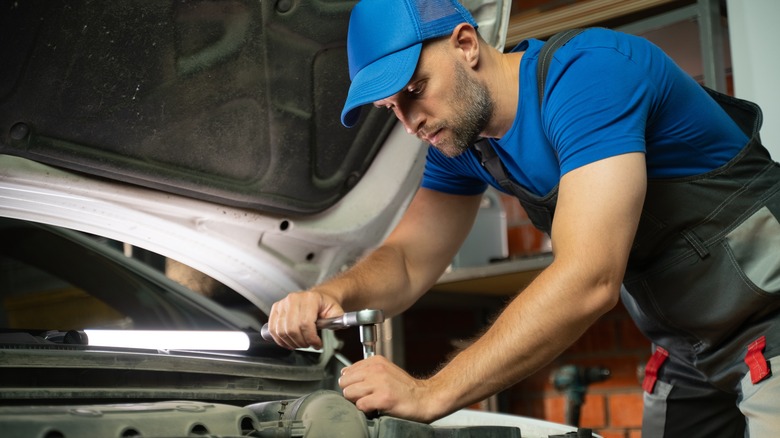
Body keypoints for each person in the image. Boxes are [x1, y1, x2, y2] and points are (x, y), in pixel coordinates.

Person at [265, 0, 780, 436]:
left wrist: (431, 392)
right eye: (391, 107)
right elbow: (407, 259)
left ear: (466, 44)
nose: (410, 121)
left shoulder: (589, 76)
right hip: (688, 347)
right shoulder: (462, 143)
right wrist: (332, 294)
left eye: (416, 89)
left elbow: (589, 278)